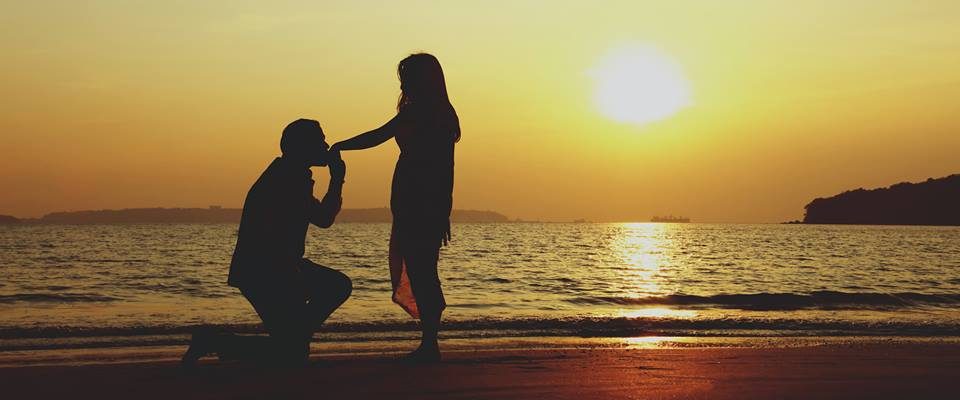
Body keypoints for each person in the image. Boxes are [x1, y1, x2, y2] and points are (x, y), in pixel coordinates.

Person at [181, 118, 351, 367]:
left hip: (274, 268)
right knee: (292, 352)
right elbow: (322, 219)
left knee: (334, 290)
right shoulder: (287, 179)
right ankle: (216, 341)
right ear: (301, 147)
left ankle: (288, 336)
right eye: (319, 140)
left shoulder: (290, 175)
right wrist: (337, 180)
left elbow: (320, 218)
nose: (326, 145)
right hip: (265, 272)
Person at [332, 53, 459, 363]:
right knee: (421, 271)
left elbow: (443, 167)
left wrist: (443, 210)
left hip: (421, 203)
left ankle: (430, 345)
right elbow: (383, 135)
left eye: (407, 76)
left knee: (422, 272)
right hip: (413, 203)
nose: (402, 83)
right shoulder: (425, 111)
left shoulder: (429, 113)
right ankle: (430, 343)